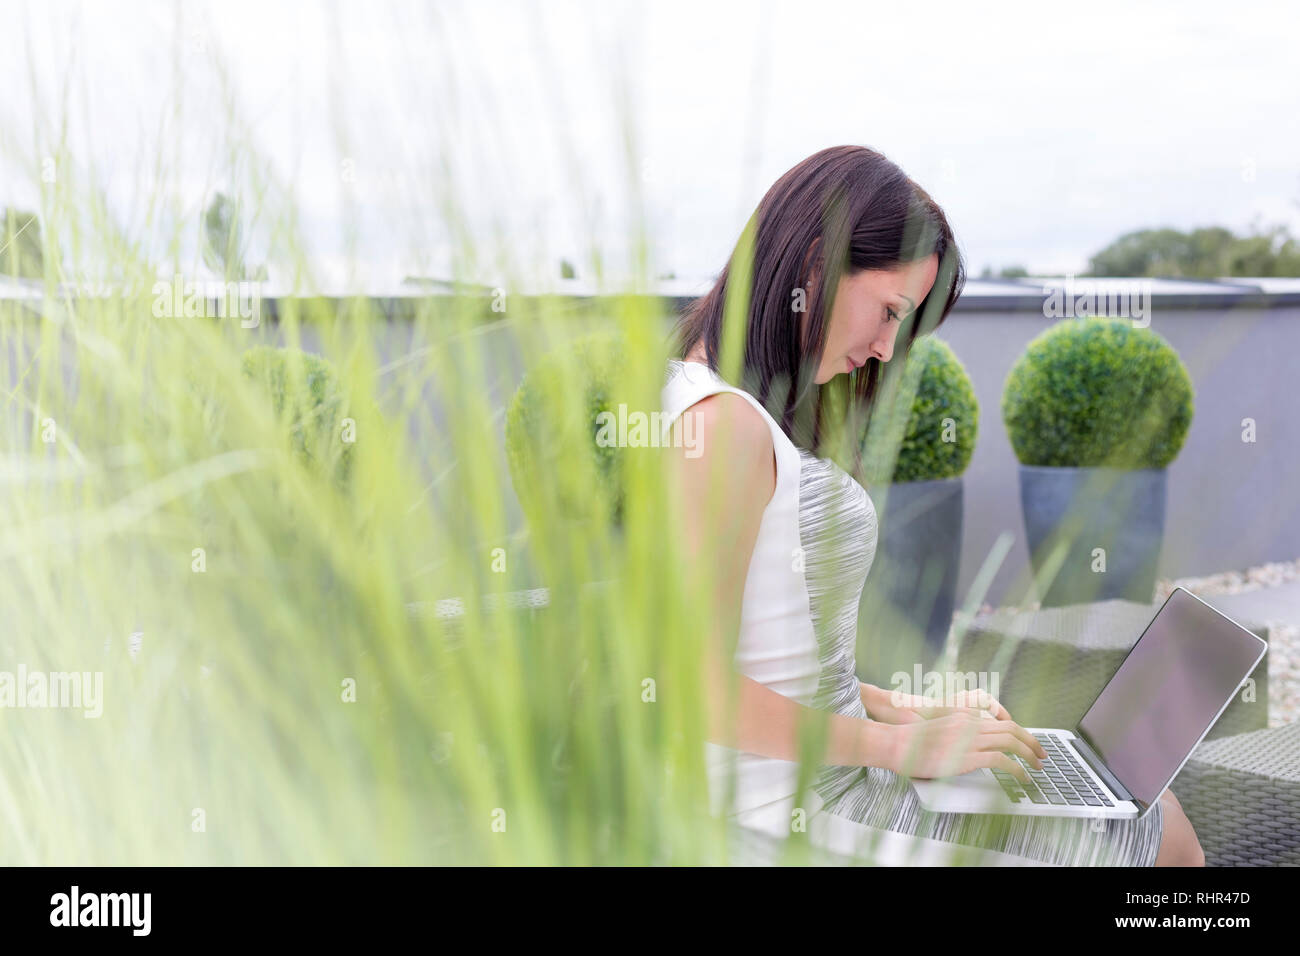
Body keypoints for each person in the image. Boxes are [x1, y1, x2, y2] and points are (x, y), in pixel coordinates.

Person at [661, 144, 1204, 866]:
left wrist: (906, 709)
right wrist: (900, 746)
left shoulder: (729, 409)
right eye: (889, 312)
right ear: (816, 263)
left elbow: (777, 653)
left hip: (832, 775)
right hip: (798, 812)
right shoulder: (721, 424)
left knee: (1146, 809)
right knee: (1161, 839)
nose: (887, 348)